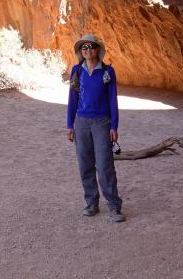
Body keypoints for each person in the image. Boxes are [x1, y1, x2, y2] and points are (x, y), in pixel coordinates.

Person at [66, 33, 125, 222]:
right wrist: (70, 125)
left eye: (91, 46)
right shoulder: (77, 71)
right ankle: (91, 202)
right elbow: (72, 100)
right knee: (85, 164)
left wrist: (114, 125)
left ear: (97, 50)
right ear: (80, 51)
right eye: (84, 47)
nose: (88, 50)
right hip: (82, 122)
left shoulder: (107, 72)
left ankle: (114, 206)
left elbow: (112, 99)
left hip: (102, 122)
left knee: (105, 164)